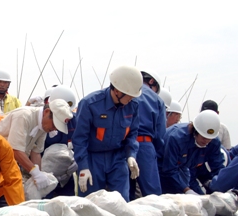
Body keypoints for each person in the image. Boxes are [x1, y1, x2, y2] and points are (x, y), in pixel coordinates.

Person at [73, 65, 142, 202]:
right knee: (90, 203)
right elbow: (80, 139)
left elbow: (132, 134)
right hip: (93, 160)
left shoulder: (133, 106)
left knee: (122, 202)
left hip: (117, 158)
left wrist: (131, 156)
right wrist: (84, 167)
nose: (132, 99)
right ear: (117, 91)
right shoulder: (90, 104)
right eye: (130, 95)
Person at [0, 99, 73, 191]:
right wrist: (35, 173)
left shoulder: (44, 126)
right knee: (2, 195)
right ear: (46, 112)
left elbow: (36, 152)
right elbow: (15, 150)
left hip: (10, 162)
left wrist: (39, 174)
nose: (55, 129)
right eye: (55, 125)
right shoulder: (24, 116)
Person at [158, 110, 224, 195]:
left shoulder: (214, 142)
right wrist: (186, 190)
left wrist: (220, 185)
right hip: (162, 166)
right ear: (195, 131)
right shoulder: (176, 138)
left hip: (186, 167)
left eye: (209, 138)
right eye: (203, 137)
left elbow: (217, 166)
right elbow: (169, 169)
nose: (206, 141)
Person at [129, 69, 166, 200]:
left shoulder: (124, 91)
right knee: (153, 194)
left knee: (125, 192)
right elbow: (160, 133)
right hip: (145, 145)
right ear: (151, 81)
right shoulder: (156, 99)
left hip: (122, 145)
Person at [43, 85, 78, 198]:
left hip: (66, 173)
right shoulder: (43, 121)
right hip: (45, 173)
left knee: (68, 202)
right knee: (45, 203)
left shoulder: (74, 120)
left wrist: (77, 161)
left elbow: (81, 142)